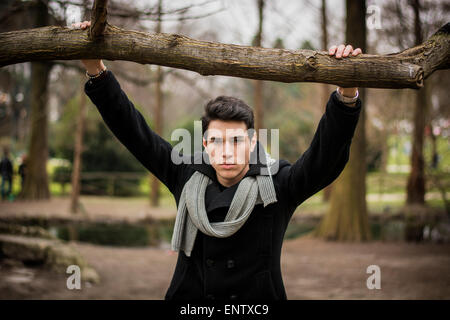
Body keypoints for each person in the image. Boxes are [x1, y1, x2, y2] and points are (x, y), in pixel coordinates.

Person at [73, 21, 363, 300]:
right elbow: (134, 133)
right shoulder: (185, 173)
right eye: (217, 141)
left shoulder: (278, 183)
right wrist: (96, 70)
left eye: (236, 141)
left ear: (251, 142)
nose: (227, 151)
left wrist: (346, 94)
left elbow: (324, 158)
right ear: (205, 144)